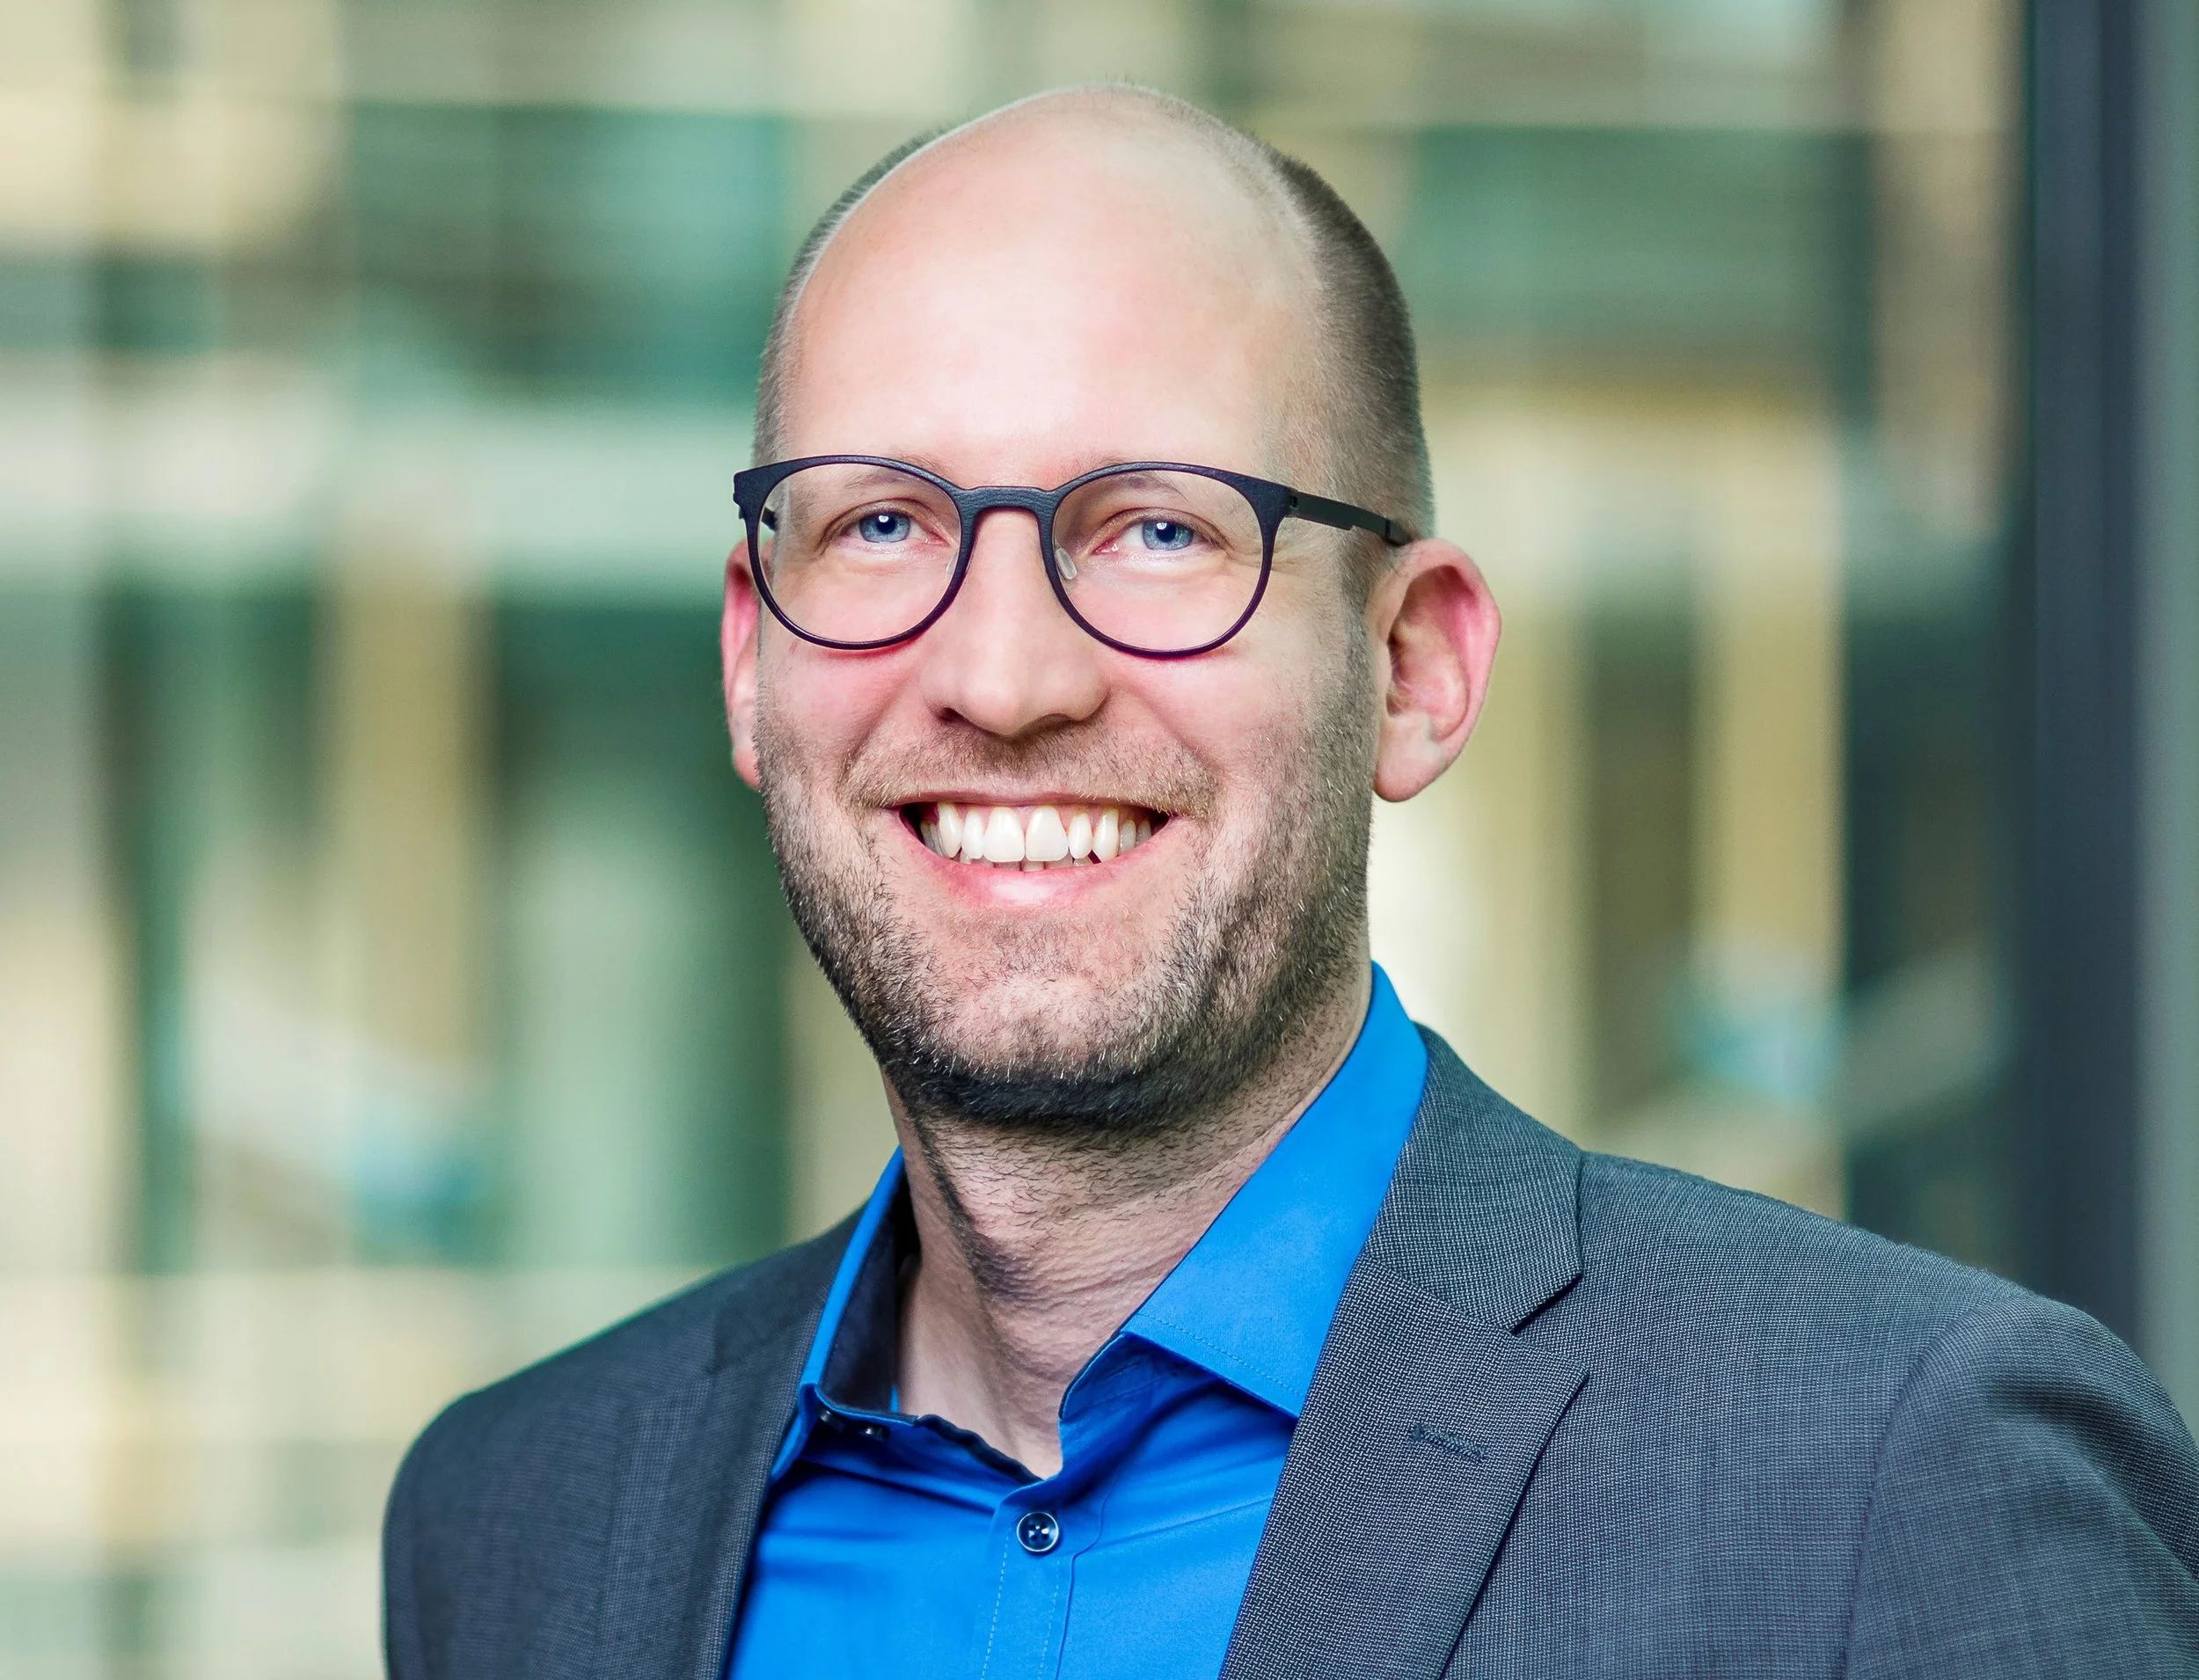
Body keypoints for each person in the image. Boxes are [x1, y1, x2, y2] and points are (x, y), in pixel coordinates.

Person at [382, 86, 2199, 1679]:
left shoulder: (1892, 1471)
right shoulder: (521, 1520)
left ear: (1411, 666)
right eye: (878, 526)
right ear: (745, 666)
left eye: (1161, 529)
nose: (1005, 679)